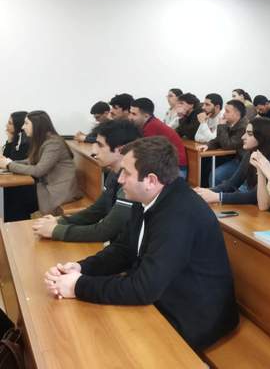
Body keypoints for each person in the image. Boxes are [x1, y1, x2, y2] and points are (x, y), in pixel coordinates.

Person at [43, 136, 239, 349]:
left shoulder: (178, 214)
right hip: (167, 294)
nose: (119, 179)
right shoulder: (145, 197)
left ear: (151, 180)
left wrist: (79, 286)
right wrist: (81, 268)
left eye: (126, 173)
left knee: (103, 343)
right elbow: (123, 249)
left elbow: (144, 288)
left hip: (195, 314)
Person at [32, 119, 140, 242]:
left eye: (100, 145)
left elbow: (105, 231)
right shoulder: (113, 173)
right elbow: (97, 211)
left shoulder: (132, 181)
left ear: (120, 150)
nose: (93, 151)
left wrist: (55, 230)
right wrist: (60, 221)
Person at [0, 111, 79, 216]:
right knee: (13, 195)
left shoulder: (53, 143)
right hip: (47, 185)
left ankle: (19, 225)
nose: (23, 127)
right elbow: (30, 160)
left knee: (17, 198)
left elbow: (38, 170)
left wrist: (9, 165)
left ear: (37, 125)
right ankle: (16, 224)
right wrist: (8, 162)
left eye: (26, 123)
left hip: (58, 191)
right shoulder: (44, 140)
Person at [194, 118, 270, 205]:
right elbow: (232, 183)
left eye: (249, 134)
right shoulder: (251, 153)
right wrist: (206, 191)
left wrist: (218, 197)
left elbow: (254, 196)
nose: (243, 137)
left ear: (262, 137)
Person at [128, 98, 188, 175]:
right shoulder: (149, 123)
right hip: (168, 164)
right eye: (130, 113)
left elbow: (146, 153)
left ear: (146, 116)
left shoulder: (152, 126)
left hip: (176, 168)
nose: (130, 117)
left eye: (134, 114)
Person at [2, 111, 38, 221]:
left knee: (12, 198)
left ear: (18, 124)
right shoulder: (17, 137)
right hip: (18, 181)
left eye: (10, 123)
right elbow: (6, 157)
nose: (6, 125)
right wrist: (9, 140)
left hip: (26, 187)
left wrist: (6, 162)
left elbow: (14, 161)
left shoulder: (25, 141)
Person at [205, 99, 248, 185]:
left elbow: (227, 145)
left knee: (216, 176)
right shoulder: (230, 124)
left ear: (237, 114)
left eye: (227, 111)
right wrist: (208, 145)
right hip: (232, 157)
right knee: (206, 165)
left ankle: (214, 193)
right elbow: (218, 140)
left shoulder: (243, 128)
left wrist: (221, 126)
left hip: (241, 161)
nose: (224, 114)